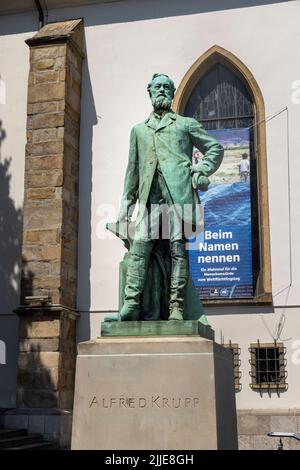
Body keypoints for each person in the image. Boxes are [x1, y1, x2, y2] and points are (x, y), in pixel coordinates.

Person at [107, 74, 224, 321]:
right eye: (157, 87)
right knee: (139, 250)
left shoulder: (185, 124)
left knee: (177, 252)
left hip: (178, 197)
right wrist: (125, 207)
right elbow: (133, 171)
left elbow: (215, 148)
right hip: (150, 201)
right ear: (149, 92)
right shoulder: (138, 130)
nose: (161, 90)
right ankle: (131, 304)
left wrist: (201, 170)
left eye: (166, 87)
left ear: (172, 93)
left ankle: (176, 308)